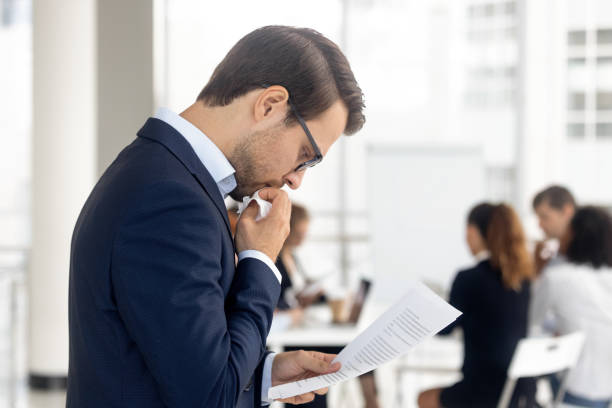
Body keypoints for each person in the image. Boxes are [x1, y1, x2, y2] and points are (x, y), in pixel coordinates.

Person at [67, 25, 365, 408]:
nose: (296, 179)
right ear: (270, 104)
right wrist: (260, 260)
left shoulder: (162, 172)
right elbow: (211, 399)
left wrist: (265, 376)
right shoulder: (172, 200)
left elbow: (175, 364)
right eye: (305, 154)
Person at [418, 203, 537, 408]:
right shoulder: (523, 279)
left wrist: (425, 309)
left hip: (486, 392)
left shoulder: (469, 278)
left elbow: (444, 330)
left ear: (472, 232)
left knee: (424, 399)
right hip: (522, 391)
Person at [277, 203, 380, 408]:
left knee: (359, 348)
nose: (303, 238)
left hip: (299, 327)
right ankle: (372, 402)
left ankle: (372, 401)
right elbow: (277, 301)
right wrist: (294, 308)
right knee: (336, 356)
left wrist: (312, 294)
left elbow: (293, 293)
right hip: (289, 333)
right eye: (300, 232)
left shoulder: (293, 256)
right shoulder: (276, 259)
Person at [530, 206, 612, 407]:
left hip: (573, 388)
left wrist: (536, 271)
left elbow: (529, 323)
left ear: (574, 235)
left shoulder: (557, 277)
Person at [532, 185, 576, 274]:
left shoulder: (588, 252)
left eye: (544, 217)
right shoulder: (559, 254)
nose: (539, 225)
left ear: (567, 211)